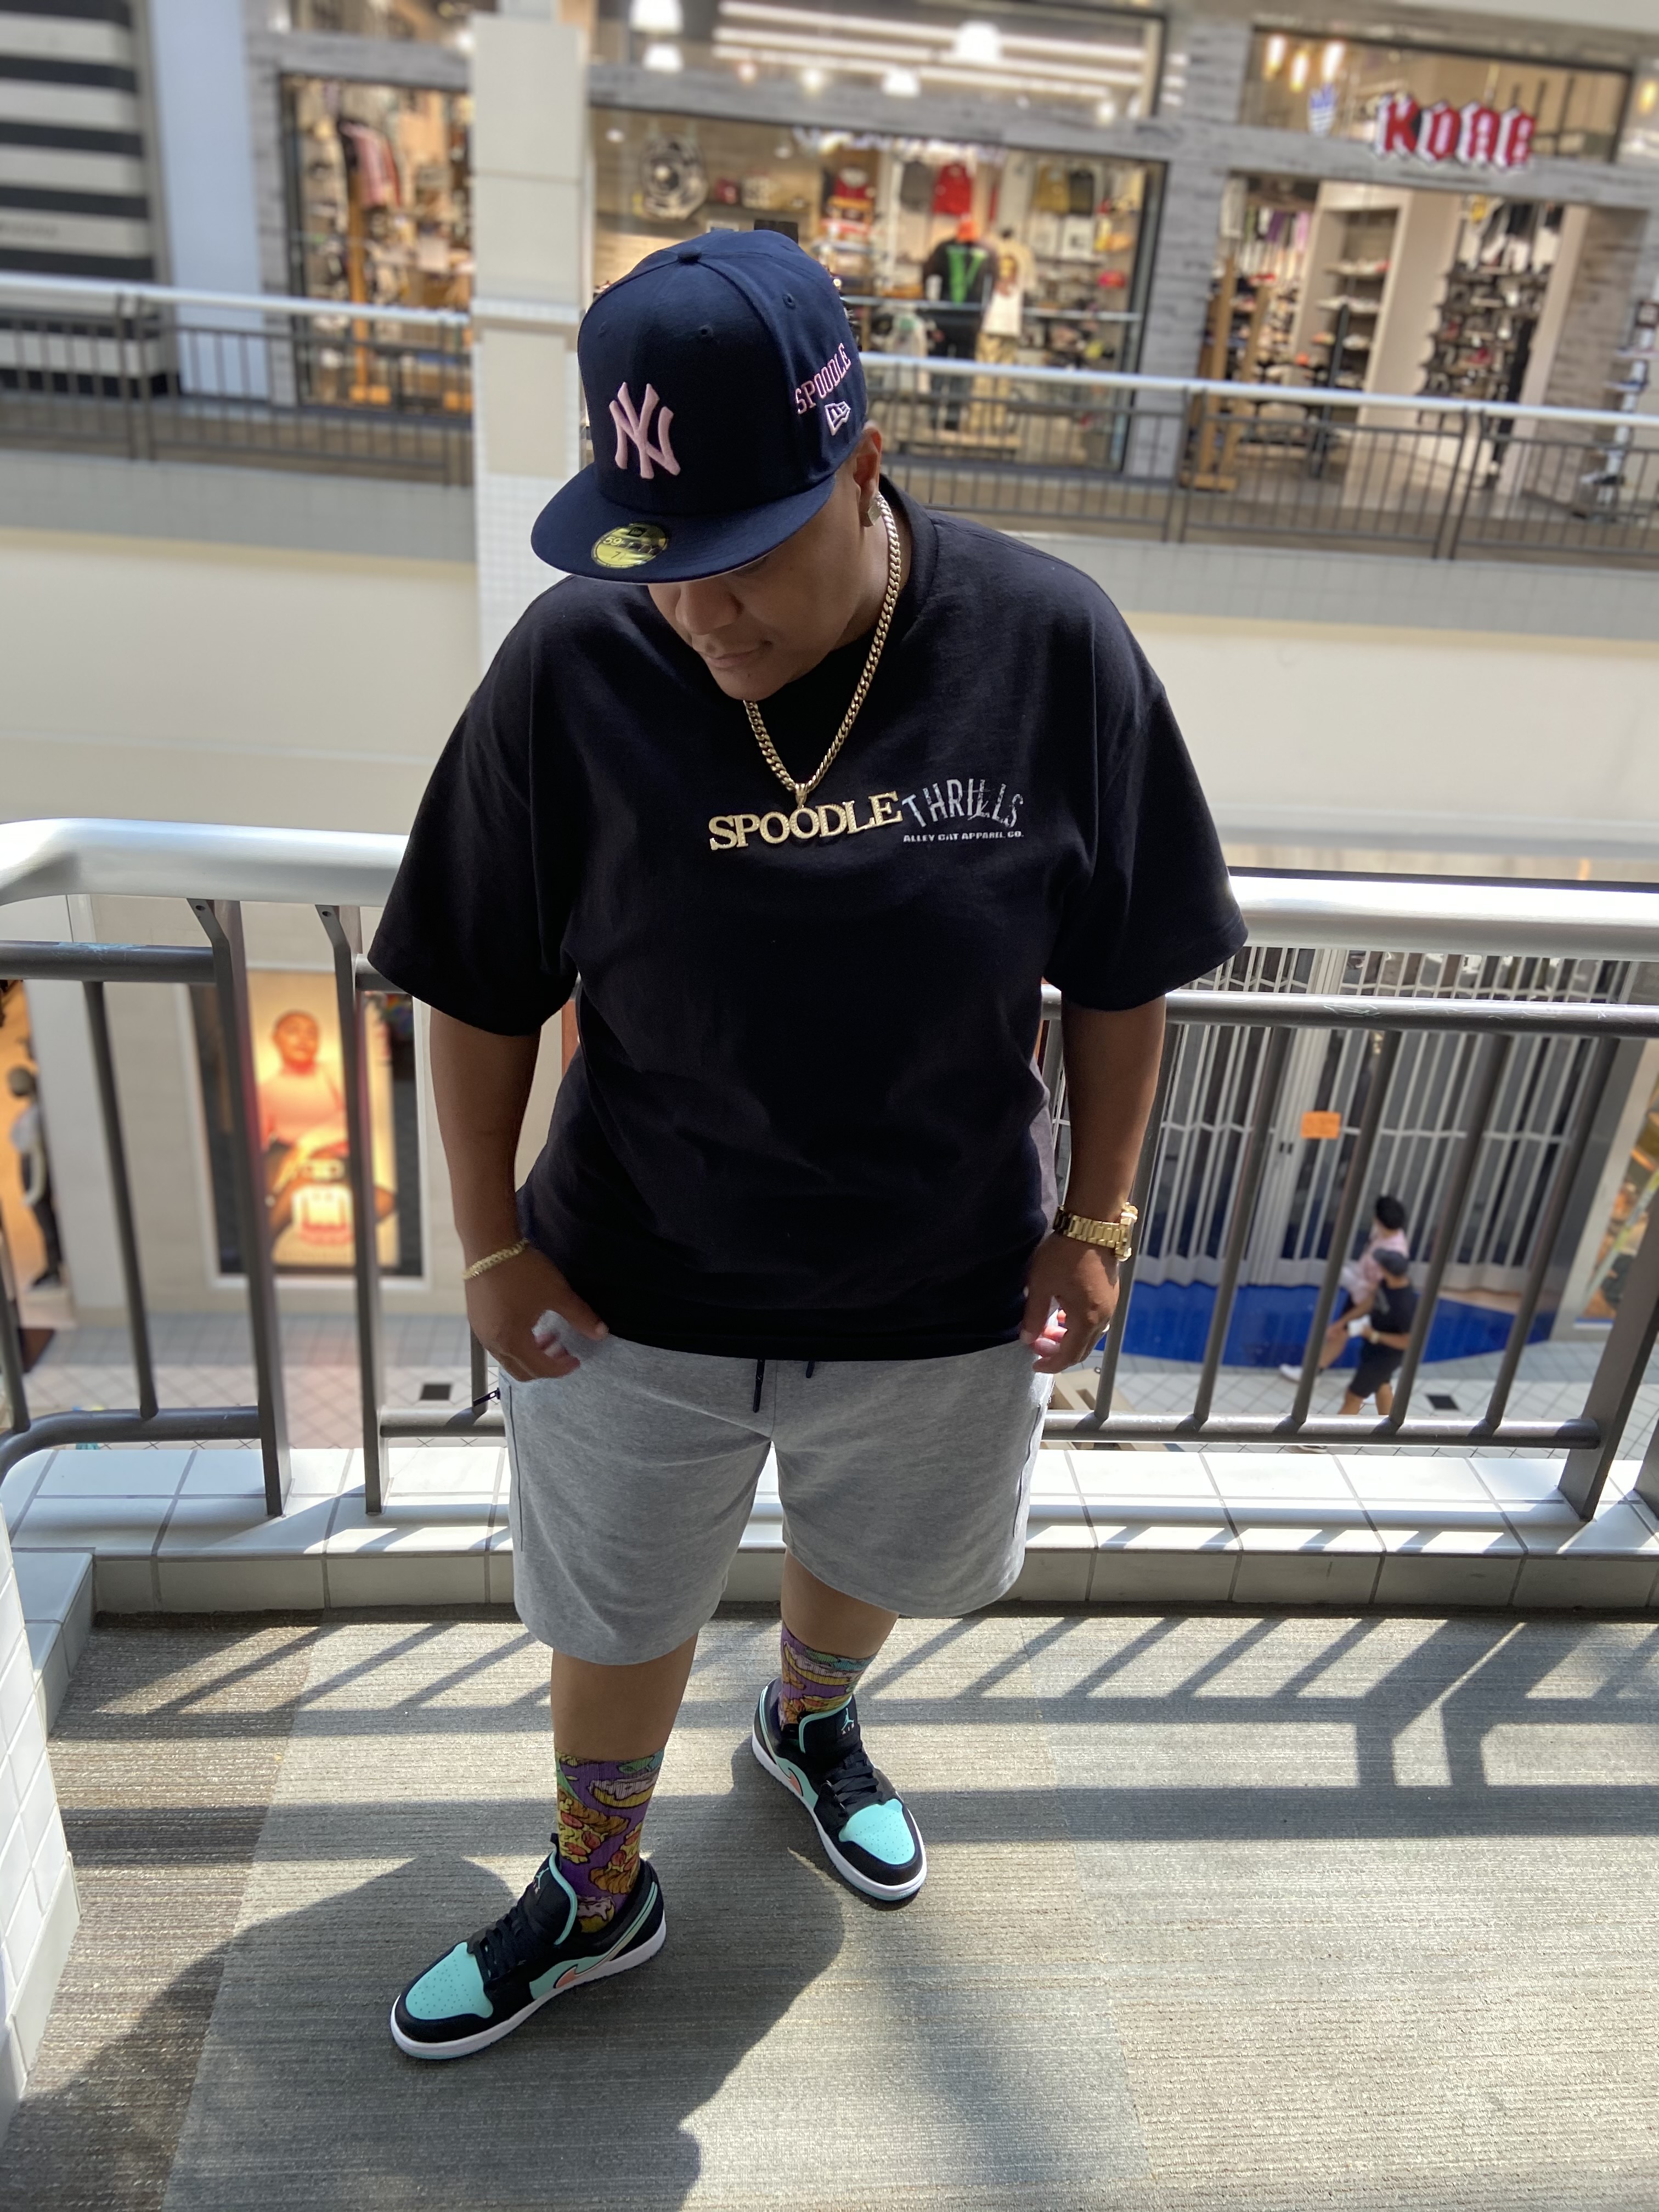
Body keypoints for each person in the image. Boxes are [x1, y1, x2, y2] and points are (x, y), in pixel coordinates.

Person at [369, 228, 1244, 2062]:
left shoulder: (1047, 643)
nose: (698, 616)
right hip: (631, 1278)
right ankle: (597, 1887)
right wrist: (487, 1241)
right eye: (656, 562)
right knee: (613, 1606)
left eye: (742, 557)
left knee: (870, 1547)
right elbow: (476, 976)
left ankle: (810, 1721)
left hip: (939, 1275)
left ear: (863, 467)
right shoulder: (572, 665)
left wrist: (1096, 1218)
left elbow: (1124, 968)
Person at [1279, 1193, 1408, 1384]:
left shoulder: (1394, 1252)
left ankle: (1376, 1383)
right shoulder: (1385, 1235)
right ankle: (1314, 1372)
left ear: (1378, 1219)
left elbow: (1378, 1293)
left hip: (1371, 1302)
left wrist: (1345, 1320)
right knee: (1342, 1333)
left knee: (1351, 1334)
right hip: (1362, 1293)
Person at [1338, 1249, 1417, 1417]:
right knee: (1383, 1386)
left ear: (1386, 1270)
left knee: (1353, 1396)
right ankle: (1391, 1426)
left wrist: (1374, 1335)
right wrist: (1343, 1322)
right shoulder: (1387, 1283)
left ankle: (1330, 1433)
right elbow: (1372, 1301)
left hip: (1385, 1357)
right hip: (1374, 1349)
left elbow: (1408, 1341)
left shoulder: (1405, 1305)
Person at [6, 1064, 63, 1289]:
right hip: (31, 1166)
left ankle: (55, 1268)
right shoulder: (32, 1111)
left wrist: (35, 1190)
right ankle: (54, 1265)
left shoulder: (36, 1115)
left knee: (47, 1222)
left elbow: (39, 1154)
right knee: (45, 1221)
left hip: (36, 1170)